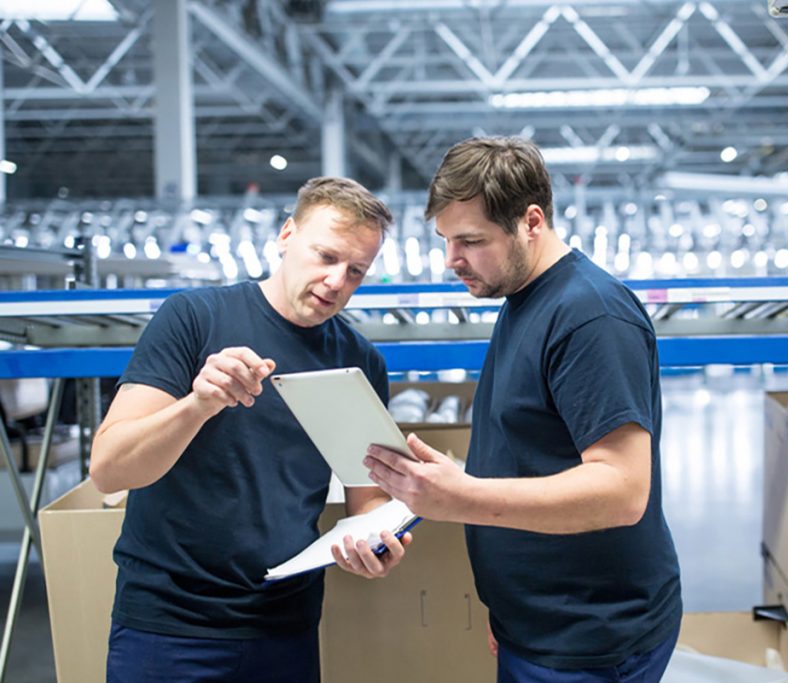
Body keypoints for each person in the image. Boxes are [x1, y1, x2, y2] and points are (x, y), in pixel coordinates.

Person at [364, 137, 682, 682]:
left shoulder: (590, 317)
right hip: (539, 622)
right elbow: (536, 454)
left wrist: (459, 496)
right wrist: (512, 606)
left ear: (531, 221)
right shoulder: (524, 297)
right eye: (446, 240)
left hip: (589, 637)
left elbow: (622, 491)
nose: (451, 260)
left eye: (470, 240)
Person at [90, 177, 410, 683]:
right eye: (325, 256)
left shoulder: (358, 361)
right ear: (287, 235)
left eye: (355, 272)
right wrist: (198, 404)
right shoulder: (193, 319)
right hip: (171, 627)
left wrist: (374, 542)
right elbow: (109, 470)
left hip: (283, 630)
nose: (335, 282)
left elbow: (365, 498)